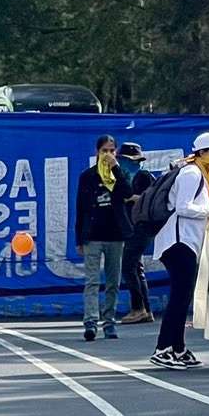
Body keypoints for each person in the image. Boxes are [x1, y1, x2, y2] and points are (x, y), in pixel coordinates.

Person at [150, 133, 209, 370]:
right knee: (179, 297)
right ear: (202, 153)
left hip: (185, 242)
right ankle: (163, 348)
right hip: (178, 242)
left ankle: (178, 348)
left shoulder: (199, 173)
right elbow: (183, 208)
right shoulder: (192, 173)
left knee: (182, 297)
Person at [75, 136, 131, 343]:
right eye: (104, 151)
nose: (108, 154)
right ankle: (90, 322)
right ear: (97, 153)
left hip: (115, 235)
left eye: (111, 150)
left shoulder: (120, 173)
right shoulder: (87, 176)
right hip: (93, 236)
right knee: (92, 281)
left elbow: (127, 192)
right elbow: (80, 208)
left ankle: (109, 322)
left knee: (113, 282)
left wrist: (115, 168)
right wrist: (79, 238)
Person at [117, 142, 156, 324]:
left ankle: (138, 308)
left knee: (128, 266)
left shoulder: (144, 176)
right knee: (136, 268)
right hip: (131, 227)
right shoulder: (123, 178)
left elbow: (153, 200)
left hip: (142, 227)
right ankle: (146, 310)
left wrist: (133, 198)